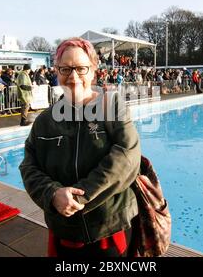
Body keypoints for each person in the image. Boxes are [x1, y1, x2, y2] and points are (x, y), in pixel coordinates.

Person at [19, 37, 141, 258]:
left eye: (81, 69)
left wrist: (78, 197)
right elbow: (29, 166)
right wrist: (52, 194)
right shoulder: (45, 121)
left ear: (93, 70)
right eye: (65, 69)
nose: (73, 77)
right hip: (65, 229)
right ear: (56, 71)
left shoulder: (112, 106)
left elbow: (127, 157)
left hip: (109, 227)